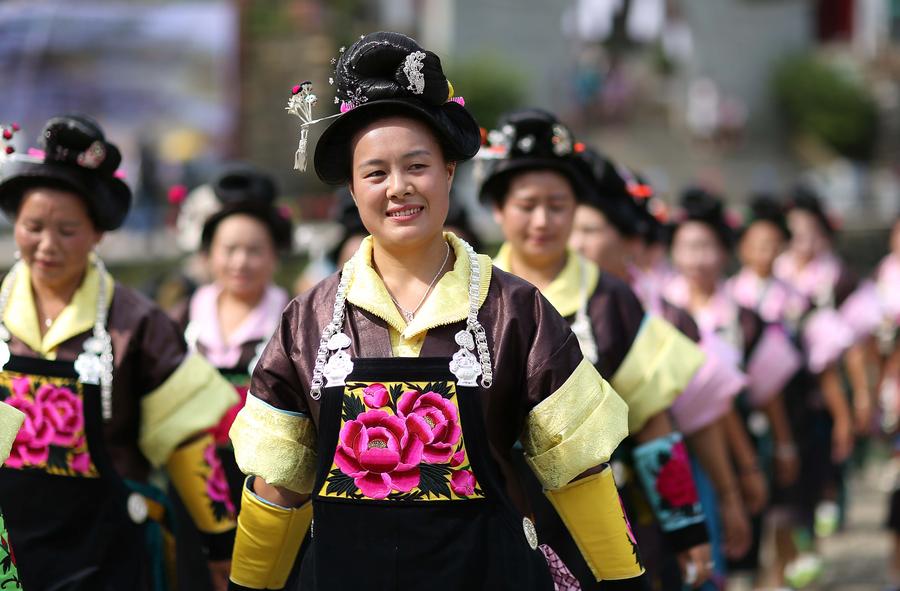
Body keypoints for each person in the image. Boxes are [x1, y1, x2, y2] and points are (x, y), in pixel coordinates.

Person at [227, 32, 644, 591]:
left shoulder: (516, 311)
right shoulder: (307, 320)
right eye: (375, 173)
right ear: (352, 189)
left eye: (417, 166)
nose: (398, 188)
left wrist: (625, 582)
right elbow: (277, 486)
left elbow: (578, 469)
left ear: (449, 170)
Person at [0, 114, 239, 590]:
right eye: (33, 227)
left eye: (67, 230)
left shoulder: (137, 322)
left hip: (108, 552)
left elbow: (187, 443)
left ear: (97, 234)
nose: (47, 245)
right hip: (10, 549)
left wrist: (222, 549)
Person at [481, 110, 711, 589]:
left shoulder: (610, 299)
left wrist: (686, 526)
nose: (542, 220)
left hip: (606, 519)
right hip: (498, 526)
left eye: (557, 205)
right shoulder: (471, 298)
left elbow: (652, 423)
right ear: (499, 210)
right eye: (526, 205)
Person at [568, 152, 752, 588]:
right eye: (571, 228)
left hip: (655, 495)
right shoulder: (529, 308)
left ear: (629, 240)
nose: (575, 243)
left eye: (590, 230)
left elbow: (704, 415)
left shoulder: (663, 315)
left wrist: (731, 490)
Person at [665, 188, 802, 586]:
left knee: (736, 549)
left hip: (738, 443)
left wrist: (782, 445)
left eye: (707, 247)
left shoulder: (745, 319)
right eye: (687, 247)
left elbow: (768, 392)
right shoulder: (658, 310)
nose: (697, 259)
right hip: (672, 448)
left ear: (725, 253)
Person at [170, 164, 292, 591]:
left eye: (255, 250)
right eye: (229, 249)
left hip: (267, 483)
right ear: (209, 254)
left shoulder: (297, 319)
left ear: (276, 254)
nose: (240, 262)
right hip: (194, 479)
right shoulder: (183, 316)